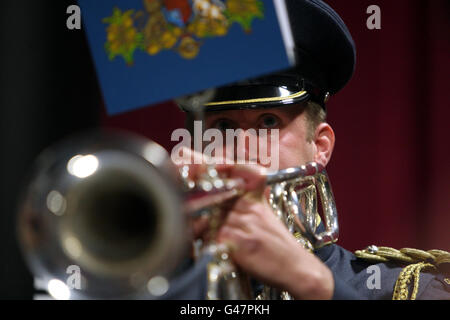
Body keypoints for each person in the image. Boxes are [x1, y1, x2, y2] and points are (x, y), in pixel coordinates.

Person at [175, 0, 450, 300]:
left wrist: (310, 281)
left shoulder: (408, 290)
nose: (242, 149)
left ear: (320, 147)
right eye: (223, 127)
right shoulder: (150, 284)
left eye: (268, 121)